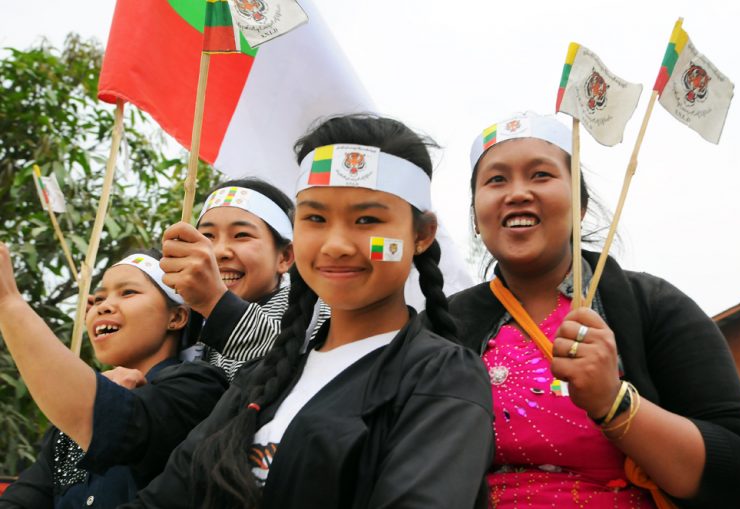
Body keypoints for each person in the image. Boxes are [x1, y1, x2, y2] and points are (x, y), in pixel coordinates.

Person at [121, 114, 494, 509]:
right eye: (315, 218)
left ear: (420, 235)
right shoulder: (261, 380)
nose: (335, 245)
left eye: (367, 219)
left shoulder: (445, 377)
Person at [446, 111, 740, 508]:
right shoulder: (442, 328)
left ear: (580, 208)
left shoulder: (653, 305)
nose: (517, 192)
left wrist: (613, 402)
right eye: (496, 180)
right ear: (476, 216)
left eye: (541, 175)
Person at [0, 249, 228, 508]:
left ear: (176, 317)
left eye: (128, 292)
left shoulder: (201, 386)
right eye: (98, 298)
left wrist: (9, 302)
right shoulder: (67, 425)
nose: (103, 306)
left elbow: (117, 424)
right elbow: (23, 499)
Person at [160, 179, 298, 380]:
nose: (218, 251)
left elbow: (300, 363)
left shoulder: (319, 312)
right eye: (207, 236)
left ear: (284, 257)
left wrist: (215, 302)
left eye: (241, 235)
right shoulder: (195, 331)